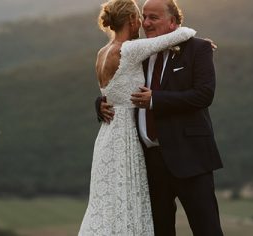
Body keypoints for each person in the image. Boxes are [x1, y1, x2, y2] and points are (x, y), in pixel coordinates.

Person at [97, 0, 224, 235]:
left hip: (191, 157)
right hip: (150, 163)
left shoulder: (198, 49)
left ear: (173, 22)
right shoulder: (139, 51)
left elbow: (204, 95)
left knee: (207, 229)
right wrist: (101, 103)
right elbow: (117, 84)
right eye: (144, 17)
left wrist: (156, 100)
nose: (146, 23)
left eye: (153, 18)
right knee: (159, 230)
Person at [79, 0, 196, 235]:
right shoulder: (130, 50)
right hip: (125, 138)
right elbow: (184, 32)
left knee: (108, 205)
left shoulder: (101, 53)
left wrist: (100, 104)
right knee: (128, 203)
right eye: (140, 19)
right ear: (132, 21)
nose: (143, 24)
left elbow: (110, 93)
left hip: (107, 136)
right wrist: (198, 43)